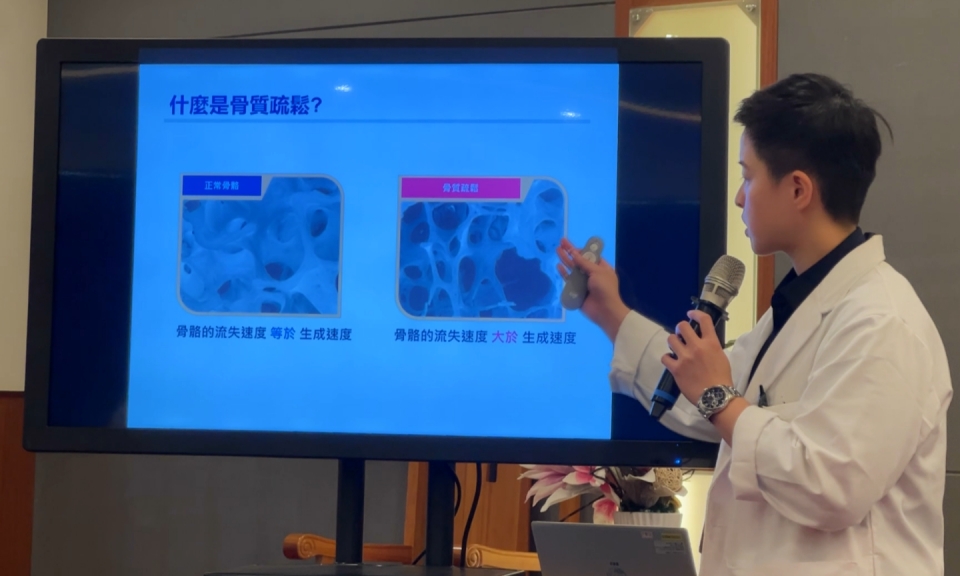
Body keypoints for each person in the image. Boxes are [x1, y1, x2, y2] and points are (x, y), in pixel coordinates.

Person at [558, 73, 952, 576]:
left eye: (748, 176)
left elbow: (831, 486)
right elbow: (704, 400)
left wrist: (720, 399)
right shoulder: (801, 304)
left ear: (798, 189)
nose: (740, 199)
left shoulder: (882, 321)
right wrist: (611, 313)